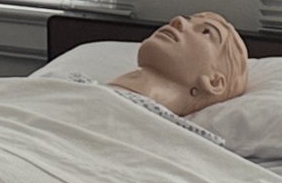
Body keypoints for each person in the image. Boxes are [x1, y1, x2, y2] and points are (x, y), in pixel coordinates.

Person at [103, 12, 250, 120]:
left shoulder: (175, 141)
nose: (177, 20)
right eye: (187, 20)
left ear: (214, 82)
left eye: (206, 31)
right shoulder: (91, 92)